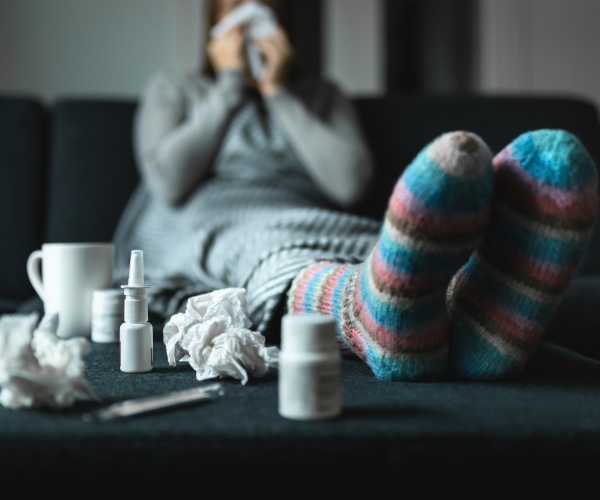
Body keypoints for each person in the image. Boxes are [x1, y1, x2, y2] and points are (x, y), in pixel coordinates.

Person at [113, 0, 598, 382]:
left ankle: (472, 328)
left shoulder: (320, 94)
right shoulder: (176, 89)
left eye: (268, 9)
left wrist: (279, 92)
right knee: (269, 247)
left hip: (305, 212)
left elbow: (348, 184)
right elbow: (168, 182)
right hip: (206, 216)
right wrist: (229, 87)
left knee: (373, 249)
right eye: (235, 5)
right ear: (212, 21)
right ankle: (365, 314)